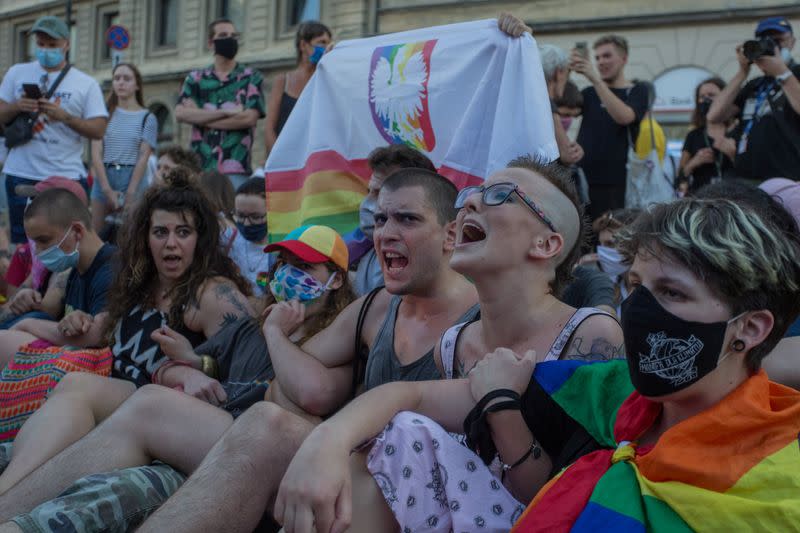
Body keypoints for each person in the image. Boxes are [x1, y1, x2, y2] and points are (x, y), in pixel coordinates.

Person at [276, 195, 800, 533]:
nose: (639, 311)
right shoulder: (603, 389)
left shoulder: (778, 471)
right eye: (636, 287)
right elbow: (409, 399)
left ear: (749, 329)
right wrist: (326, 442)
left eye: (672, 294)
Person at [0, 168, 480, 528]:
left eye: (408, 219)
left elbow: (307, 393)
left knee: (259, 424)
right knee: (127, 395)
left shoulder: (229, 299)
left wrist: (271, 335)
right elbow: (273, 381)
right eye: (381, 219)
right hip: (271, 434)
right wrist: (196, 365)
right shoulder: (376, 308)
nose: (387, 232)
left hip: (362, 476)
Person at [0, 169, 253, 495]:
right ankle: (13, 487)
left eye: (183, 232)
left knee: (80, 387)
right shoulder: (137, 284)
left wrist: (197, 363)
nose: (171, 243)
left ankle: (8, 490)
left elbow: (249, 376)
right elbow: (97, 334)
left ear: (200, 238)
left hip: (164, 413)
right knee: (66, 379)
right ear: (146, 238)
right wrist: (72, 321)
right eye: (160, 232)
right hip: (115, 393)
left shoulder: (213, 295)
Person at [0, 15, 108, 244]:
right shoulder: (17, 73)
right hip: (21, 173)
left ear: (67, 44)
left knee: (66, 245)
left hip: (65, 176)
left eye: (52, 45)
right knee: (22, 246)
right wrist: (16, 106)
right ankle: (27, 281)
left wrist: (66, 117)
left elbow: (99, 129)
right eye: (40, 44)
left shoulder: (85, 83)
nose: (45, 50)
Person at [0, 188, 116, 369]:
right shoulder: (77, 267)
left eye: (44, 241)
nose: (37, 252)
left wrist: (28, 324)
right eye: (34, 243)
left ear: (77, 231)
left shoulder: (111, 270)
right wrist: (31, 304)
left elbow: (96, 336)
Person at [176, 18, 265, 190]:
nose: (230, 39)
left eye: (234, 35)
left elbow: (249, 119)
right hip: (199, 168)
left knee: (232, 216)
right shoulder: (195, 79)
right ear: (211, 43)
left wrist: (199, 117)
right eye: (223, 35)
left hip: (236, 168)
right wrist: (230, 113)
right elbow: (180, 113)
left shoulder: (251, 77)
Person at [707, 16, 800, 181]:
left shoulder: (796, 74)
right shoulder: (754, 85)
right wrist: (742, 73)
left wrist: (782, 72)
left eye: (778, 40)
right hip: (747, 179)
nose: (773, 46)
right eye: (765, 41)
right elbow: (714, 115)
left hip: (788, 178)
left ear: (792, 42)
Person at [570, 34, 649, 217]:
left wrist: (596, 80)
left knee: (610, 241)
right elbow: (564, 106)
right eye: (597, 58)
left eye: (607, 56)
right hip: (582, 180)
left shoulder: (638, 90)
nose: (600, 62)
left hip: (617, 184)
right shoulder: (589, 92)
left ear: (624, 59)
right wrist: (563, 71)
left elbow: (625, 117)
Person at [352, 145, 436, 296]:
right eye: (369, 191)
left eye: (380, 193)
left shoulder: (429, 262)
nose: (367, 202)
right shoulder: (365, 253)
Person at [89, 63, 158, 234]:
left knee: (131, 236)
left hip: (133, 176)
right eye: (117, 78)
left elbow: (143, 156)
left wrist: (131, 192)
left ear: (137, 85)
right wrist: (106, 189)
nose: (121, 82)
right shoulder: (103, 114)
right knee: (95, 235)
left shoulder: (148, 117)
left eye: (127, 79)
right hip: (104, 176)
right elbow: (96, 153)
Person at [265, 21, 332, 154]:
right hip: (285, 159)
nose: (326, 48)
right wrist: (276, 160)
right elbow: (269, 128)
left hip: (313, 160)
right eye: (321, 42)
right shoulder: (283, 81)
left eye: (328, 43)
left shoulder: (326, 82)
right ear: (303, 45)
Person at [679, 78, 735, 192]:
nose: (706, 99)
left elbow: (750, 171)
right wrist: (695, 162)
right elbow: (680, 175)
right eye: (702, 96)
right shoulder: (693, 135)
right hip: (701, 198)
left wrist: (733, 154)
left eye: (711, 95)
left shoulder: (736, 132)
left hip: (732, 197)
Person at [228, 177, 274, 301]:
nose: (247, 223)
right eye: (240, 216)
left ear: (272, 213)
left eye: (255, 217)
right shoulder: (228, 242)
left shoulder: (280, 250)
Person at [539, 45, 583, 167]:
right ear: (559, 72)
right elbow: (567, 156)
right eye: (567, 74)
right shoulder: (547, 106)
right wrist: (575, 151)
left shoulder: (528, 102)